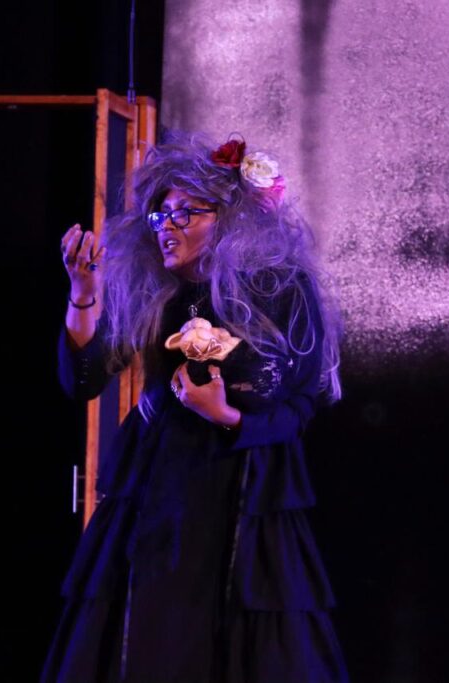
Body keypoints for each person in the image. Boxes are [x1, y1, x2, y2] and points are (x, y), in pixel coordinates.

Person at [41, 131, 347, 683]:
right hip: (162, 484)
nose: (168, 226)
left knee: (248, 632)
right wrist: (83, 293)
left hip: (248, 484)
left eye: (186, 213)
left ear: (231, 219)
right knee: (155, 625)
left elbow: (303, 401)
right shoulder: (155, 293)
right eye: (161, 214)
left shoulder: (282, 289)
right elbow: (82, 379)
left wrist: (228, 417)